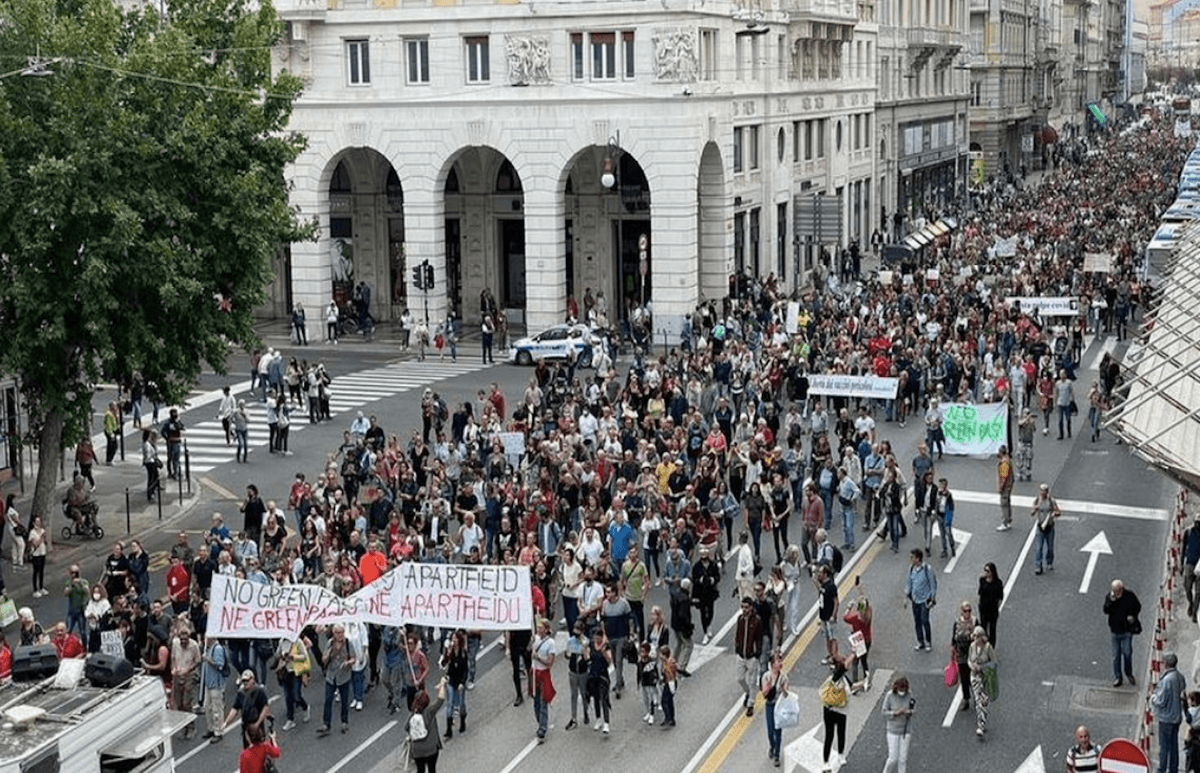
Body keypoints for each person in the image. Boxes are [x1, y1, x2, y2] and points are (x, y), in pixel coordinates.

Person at [317, 623, 354, 735]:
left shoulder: (348, 643)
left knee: (344, 700)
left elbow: (354, 658)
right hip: (331, 676)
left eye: (342, 632)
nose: (340, 635)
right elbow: (323, 660)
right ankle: (326, 724)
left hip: (344, 676)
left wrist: (348, 663)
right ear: (333, 634)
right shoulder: (330, 643)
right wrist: (327, 655)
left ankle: (344, 722)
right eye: (337, 632)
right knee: (328, 700)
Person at [1154, 652, 1187, 773]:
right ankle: (1173, 768)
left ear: (1166, 664)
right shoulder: (1179, 676)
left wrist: (1153, 698)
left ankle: (1162, 768)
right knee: (1174, 745)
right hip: (1176, 717)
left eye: (1162, 662)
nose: (1161, 665)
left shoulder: (1167, 680)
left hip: (1166, 718)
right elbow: (1183, 692)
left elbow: (1161, 701)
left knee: (1164, 746)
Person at [821, 654, 853, 771]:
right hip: (831, 710)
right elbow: (844, 667)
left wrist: (863, 685)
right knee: (829, 735)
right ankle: (825, 762)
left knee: (841, 732)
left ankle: (840, 754)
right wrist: (853, 653)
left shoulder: (843, 677)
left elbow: (852, 687)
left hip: (841, 709)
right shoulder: (835, 676)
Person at [223, 670, 271, 748]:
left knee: (260, 748)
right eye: (243, 681)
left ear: (253, 679)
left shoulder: (259, 691)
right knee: (248, 749)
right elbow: (235, 708)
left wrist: (257, 723)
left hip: (257, 725)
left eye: (247, 680)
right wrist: (226, 722)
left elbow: (265, 708)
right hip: (246, 726)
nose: (245, 682)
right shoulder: (241, 693)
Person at [409, 679, 447, 773]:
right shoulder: (430, 711)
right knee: (432, 769)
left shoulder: (413, 714)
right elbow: (440, 700)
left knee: (420, 770)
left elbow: (406, 727)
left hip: (417, 750)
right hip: (431, 748)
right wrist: (442, 684)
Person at [881, 674, 916, 773]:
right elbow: (883, 712)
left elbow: (913, 710)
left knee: (903, 759)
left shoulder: (909, 695)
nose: (902, 691)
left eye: (904, 689)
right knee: (893, 758)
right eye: (901, 688)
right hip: (893, 730)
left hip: (906, 730)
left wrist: (907, 712)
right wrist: (894, 713)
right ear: (896, 687)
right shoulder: (890, 696)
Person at [761, 648, 789, 767]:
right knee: (770, 731)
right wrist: (767, 687)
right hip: (770, 705)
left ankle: (777, 755)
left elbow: (786, 693)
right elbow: (764, 694)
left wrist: (784, 689)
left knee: (778, 731)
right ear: (772, 664)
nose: (780, 663)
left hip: (780, 706)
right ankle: (772, 746)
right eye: (778, 661)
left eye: (780, 661)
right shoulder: (766, 676)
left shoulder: (783, 677)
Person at [904, 549, 936, 651]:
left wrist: (932, 598)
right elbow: (909, 583)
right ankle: (920, 641)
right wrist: (906, 597)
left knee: (925, 621)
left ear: (918, 558)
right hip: (915, 600)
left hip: (924, 600)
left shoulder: (927, 569)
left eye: (912, 557)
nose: (910, 559)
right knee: (917, 621)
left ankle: (928, 642)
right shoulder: (911, 569)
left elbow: (933, 584)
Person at [735, 595, 762, 717]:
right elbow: (738, 634)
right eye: (742, 607)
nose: (744, 609)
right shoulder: (740, 619)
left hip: (751, 656)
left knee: (752, 682)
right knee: (740, 679)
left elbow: (759, 638)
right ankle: (748, 693)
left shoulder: (756, 621)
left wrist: (757, 653)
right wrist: (737, 648)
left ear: (751, 607)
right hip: (741, 655)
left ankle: (750, 704)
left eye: (746, 607)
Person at [530, 617, 557, 743]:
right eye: (538, 627)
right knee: (535, 702)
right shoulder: (534, 639)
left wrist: (538, 657)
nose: (539, 629)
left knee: (543, 702)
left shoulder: (550, 643)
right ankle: (540, 722)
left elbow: (549, 662)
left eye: (541, 627)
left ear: (546, 630)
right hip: (534, 673)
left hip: (543, 674)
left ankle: (542, 728)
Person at [949, 601, 979, 712]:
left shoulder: (975, 621)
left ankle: (977, 699)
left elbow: (980, 636)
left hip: (972, 653)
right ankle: (966, 698)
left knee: (974, 678)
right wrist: (953, 649)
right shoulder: (957, 622)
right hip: (961, 653)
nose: (967, 613)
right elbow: (954, 637)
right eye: (965, 611)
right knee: (964, 678)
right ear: (961, 611)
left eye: (969, 611)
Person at [967, 626, 995, 739]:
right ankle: (981, 726)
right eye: (973, 636)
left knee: (983, 702)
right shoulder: (972, 646)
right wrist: (971, 666)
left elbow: (994, 663)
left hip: (985, 678)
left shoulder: (988, 648)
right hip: (974, 677)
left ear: (981, 637)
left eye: (976, 636)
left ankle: (982, 720)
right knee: (978, 701)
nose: (974, 638)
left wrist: (982, 667)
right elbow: (969, 659)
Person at [202, 637, 231, 741]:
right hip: (209, 683)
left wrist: (208, 660)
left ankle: (218, 731)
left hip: (216, 684)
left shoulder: (217, 649)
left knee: (217, 709)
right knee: (207, 707)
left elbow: (220, 665)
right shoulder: (209, 648)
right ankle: (211, 728)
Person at [1030, 483, 1060, 575]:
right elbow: (1031, 513)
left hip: (1049, 527)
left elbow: (1058, 511)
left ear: (1047, 492)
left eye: (1044, 491)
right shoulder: (1036, 501)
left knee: (1050, 547)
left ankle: (1049, 562)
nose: (1042, 493)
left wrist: (1055, 513)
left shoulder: (1051, 501)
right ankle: (1038, 566)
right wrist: (1036, 508)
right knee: (1039, 548)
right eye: (1041, 491)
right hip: (1040, 527)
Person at [978, 562, 1004, 645]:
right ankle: (983, 645)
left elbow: (1000, 597)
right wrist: (980, 605)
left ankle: (991, 647)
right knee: (983, 628)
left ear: (992, 572)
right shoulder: (982, 580)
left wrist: (997, 607)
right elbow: (980, 593)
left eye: (987, 571)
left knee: (992, 629)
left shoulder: (998, 583)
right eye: (985, 570)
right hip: (983, 609)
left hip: (992, 610)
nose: (985, 572)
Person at [996, 445, 1014, 531]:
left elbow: (1003, 477)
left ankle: (1005, 523)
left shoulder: (1004, 463)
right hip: (1009, 485)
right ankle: (1009, 521)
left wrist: (1001, 487)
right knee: (1007, 503)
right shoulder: (1008, 460)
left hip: (1006, 486)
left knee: (1004, 504)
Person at [142, 429, 161, 501]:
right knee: (151, 478)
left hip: (151, 462)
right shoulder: (147, 444)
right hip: (150, 463)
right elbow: (148, 455)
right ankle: (150, 493)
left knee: (154, 477)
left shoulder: (149, 443)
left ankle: (153, 490)